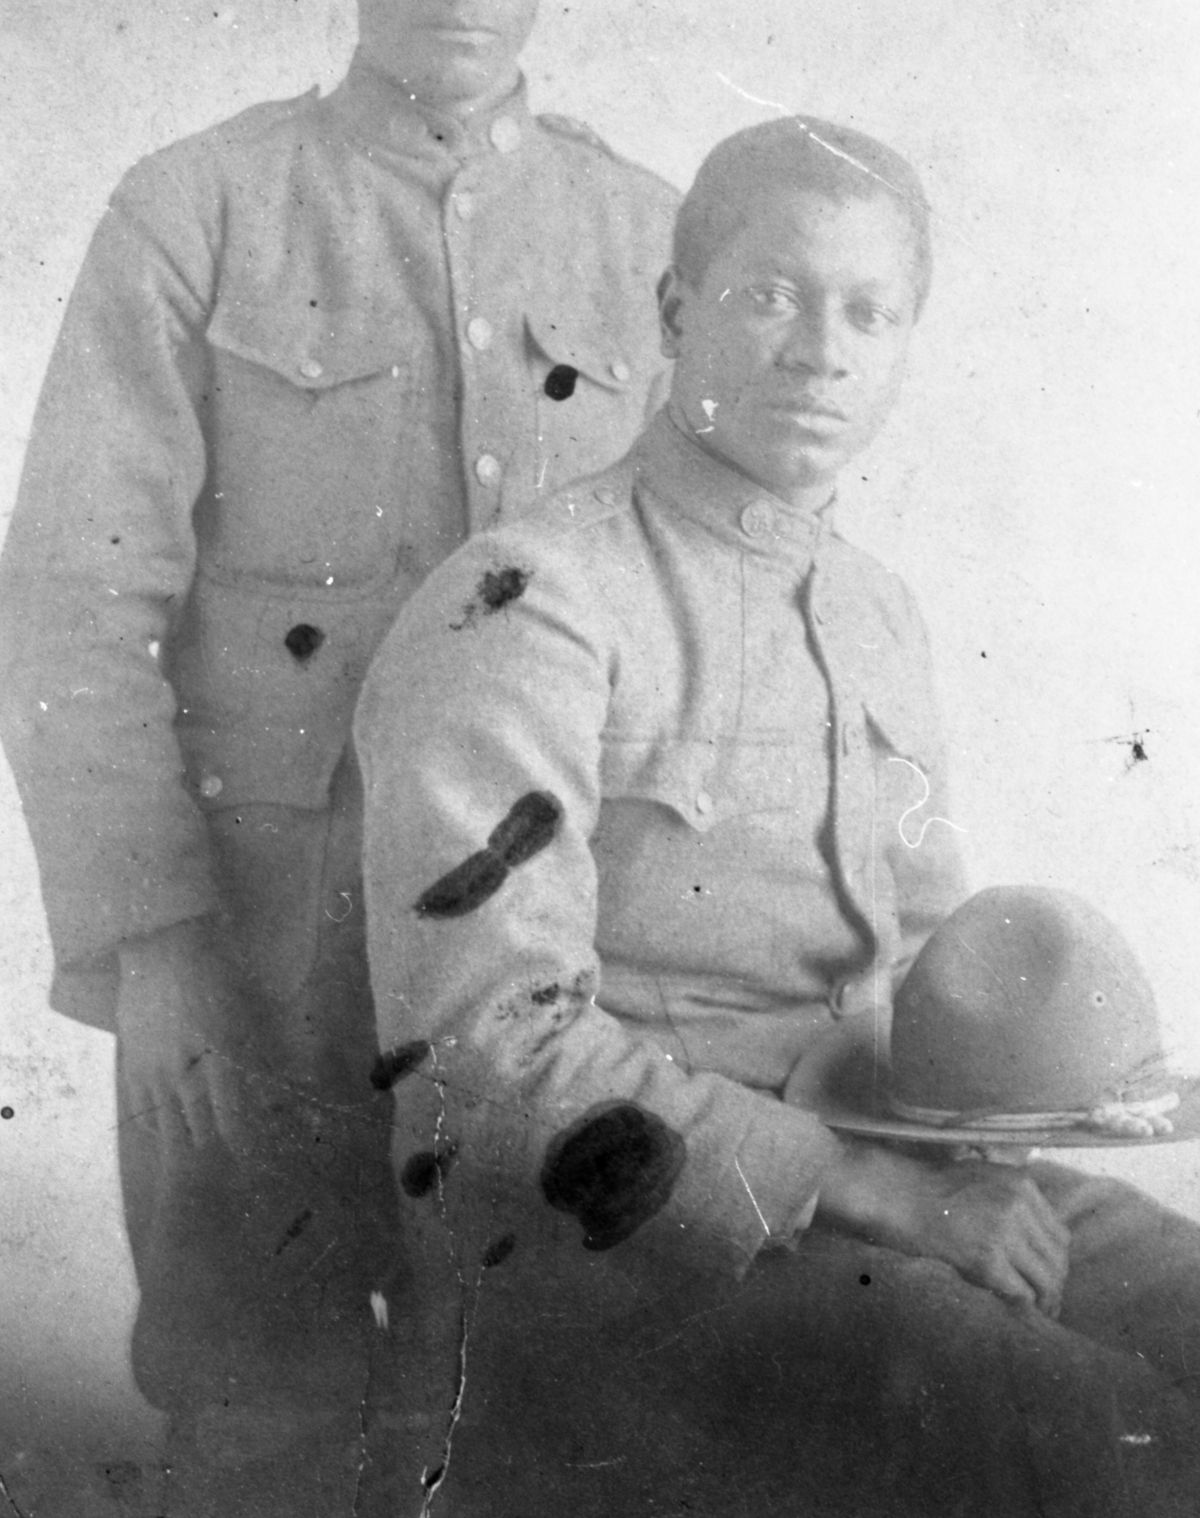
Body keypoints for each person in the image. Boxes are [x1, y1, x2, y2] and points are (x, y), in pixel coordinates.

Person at [0, 0, 677, 1514]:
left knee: (538, 1435)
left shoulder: (649, 241)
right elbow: (71, 597)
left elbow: (712, 603)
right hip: (258, 949)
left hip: (544, 962)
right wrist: (153, 954)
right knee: (261, 1431)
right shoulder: (197, 211)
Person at [355, 116, 1200, 1516]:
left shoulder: (875, 610)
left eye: (869, 310)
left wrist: (1026, 1116)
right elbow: (483, 1053)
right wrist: (873, 1192)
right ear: (677, 310)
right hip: (633, 1255)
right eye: (771, 295)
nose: (821, 347)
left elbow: (930, 979)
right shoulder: (536, 598)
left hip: (897, 1187)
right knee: (1101, 1444)